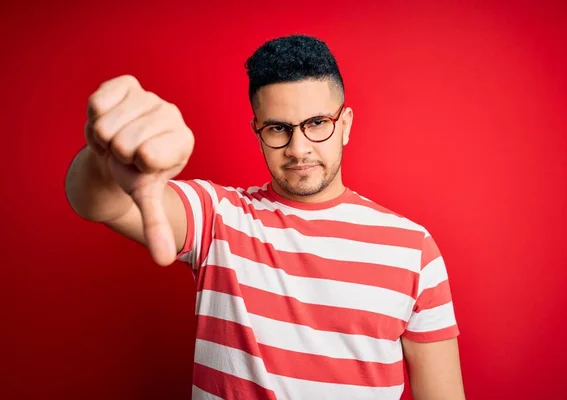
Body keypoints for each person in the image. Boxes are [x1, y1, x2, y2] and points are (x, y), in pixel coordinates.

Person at [65, 34, 466, 400]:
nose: (298, 148)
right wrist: (107, 162)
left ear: (344, 125)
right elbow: (101, 203)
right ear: (257, 130)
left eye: (316, 124)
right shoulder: (218, 217)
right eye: (278, 128)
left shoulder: (413, 249)